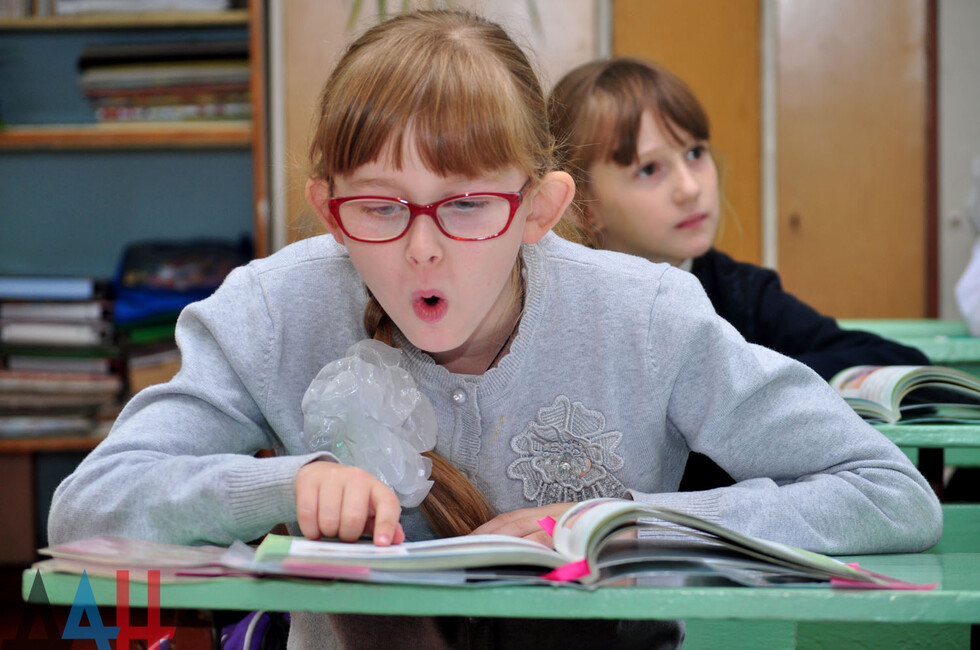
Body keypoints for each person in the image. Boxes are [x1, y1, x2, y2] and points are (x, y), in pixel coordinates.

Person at [49, 11, 941, 649]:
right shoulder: (271, 310)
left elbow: (886, 493)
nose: (423, 249)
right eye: (380, 207)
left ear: (540, 209)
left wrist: (618, 524)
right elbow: (90, 505)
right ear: (327, 207)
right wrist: (291, 482)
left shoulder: (647, 315)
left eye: (468, 204)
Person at [547, 57, 932, 490]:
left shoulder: (741, 293)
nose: (690, 188)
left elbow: (900, 361)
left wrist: (737, 386)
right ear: (582, 206)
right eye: (649, 169)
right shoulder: (559, 303)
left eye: (695, 154)